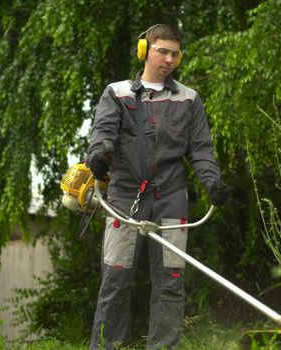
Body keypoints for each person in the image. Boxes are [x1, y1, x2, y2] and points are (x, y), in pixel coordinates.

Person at [86, 24, 230, 350]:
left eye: (174, 54)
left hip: (171, 199)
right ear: (144, 51)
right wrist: (101, 154)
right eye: (162, 51)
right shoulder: (117, 93)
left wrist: (212, 182)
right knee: (116, 280)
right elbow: (103, 133)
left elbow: (201, 150)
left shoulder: (189, 99)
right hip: (124, 198)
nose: (168, 59)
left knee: (170, 283)